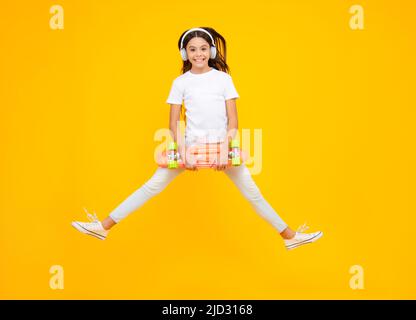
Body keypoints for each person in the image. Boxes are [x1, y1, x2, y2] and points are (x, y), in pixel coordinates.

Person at [71, 27, 323, 251]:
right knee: (151, 187)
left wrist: (225, 150)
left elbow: (233, 120)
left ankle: (289, 237)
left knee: (253, 194)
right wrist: (183, 152)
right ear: (184, 53)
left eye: (203, 48)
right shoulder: (180, 82)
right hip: (190, 148)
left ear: (211, 51)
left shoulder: (224, 79)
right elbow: (173, 123)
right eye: (192, 49)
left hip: (222, 149)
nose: (198, 54)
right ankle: (103, 227)